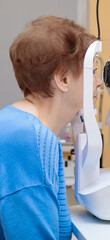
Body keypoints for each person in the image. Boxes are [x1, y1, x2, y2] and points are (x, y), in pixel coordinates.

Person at [0, 16, 102, 239]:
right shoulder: (29, 139)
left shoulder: (20, 126)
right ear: (63, 79)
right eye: (91, 71)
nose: (99, 82)